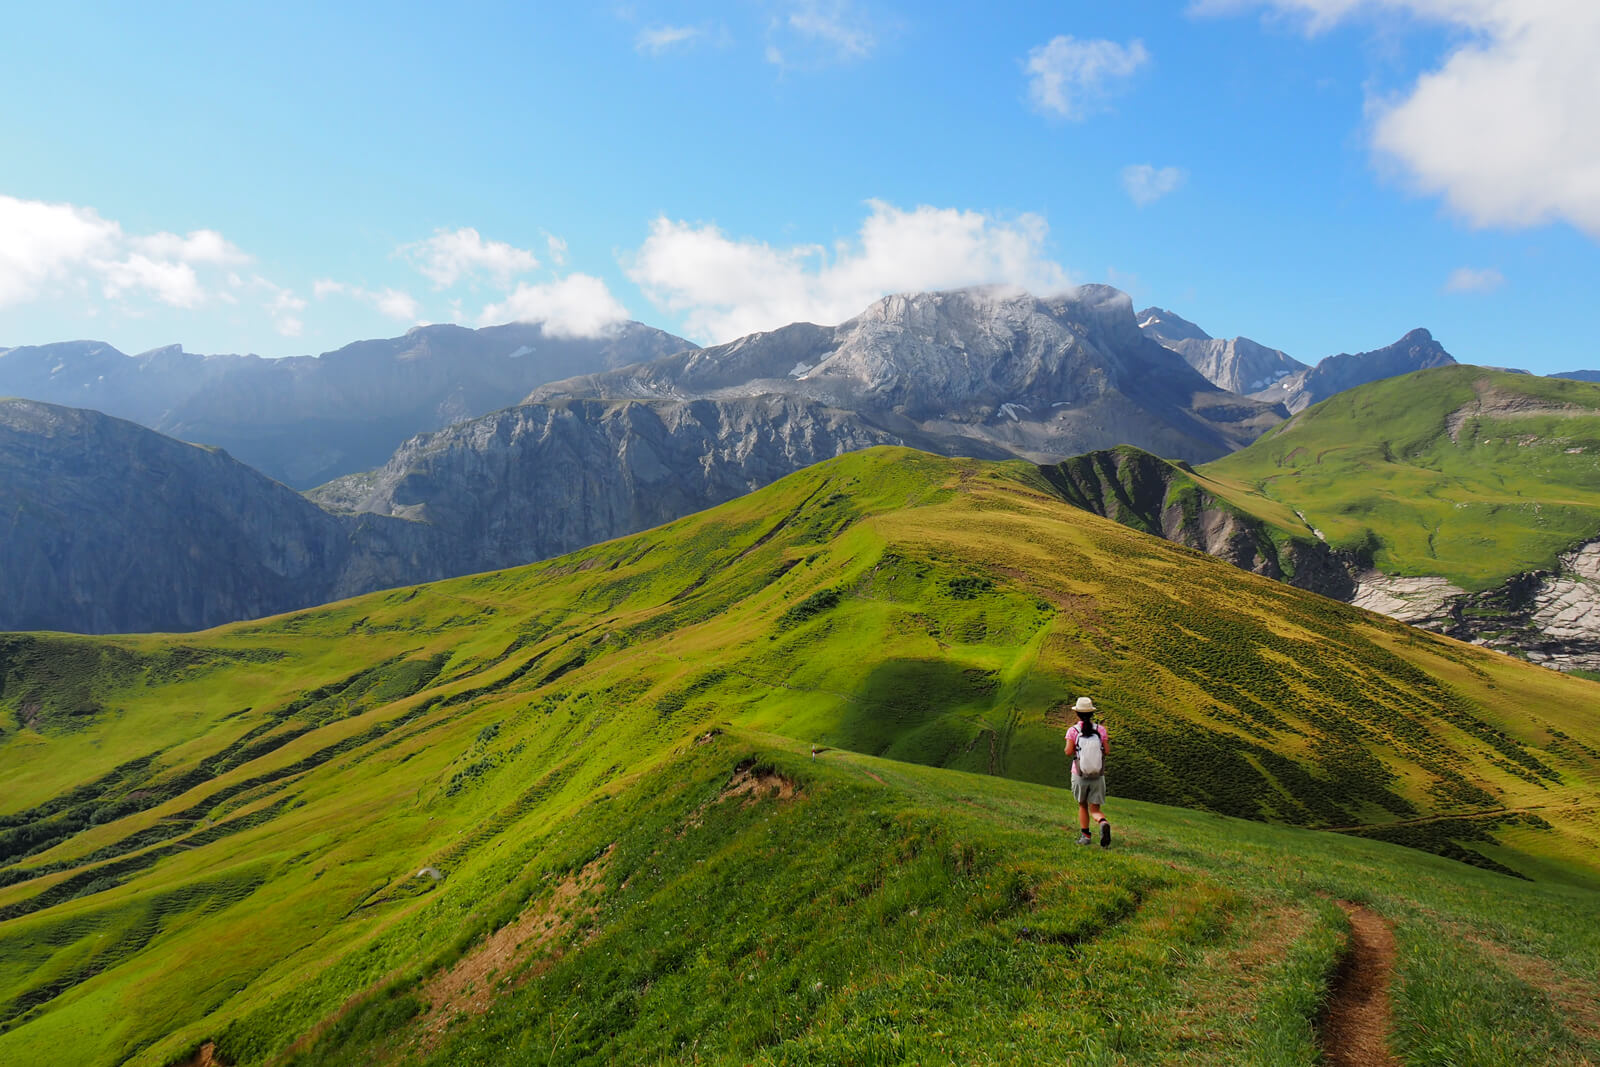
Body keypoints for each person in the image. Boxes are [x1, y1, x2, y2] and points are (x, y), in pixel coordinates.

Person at [1063, 696, 1111, 847]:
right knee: (1095, 809)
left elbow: (1068, 752)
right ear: (1091, 714)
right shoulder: (1100, 730)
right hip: (1098, 775)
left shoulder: (1073, 731)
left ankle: (1086, 836)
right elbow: (1107, 751)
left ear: (1077, 714)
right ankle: (1102, 822)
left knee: (1082, 805)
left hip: (1079, 774)